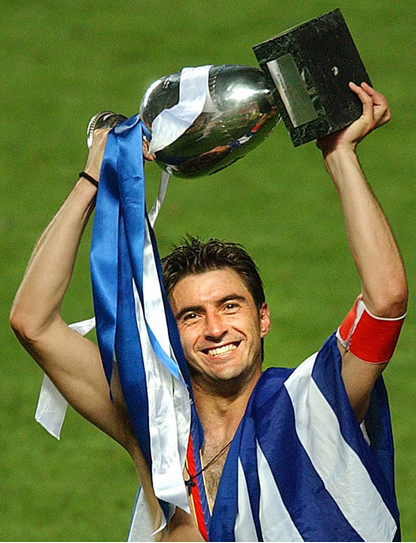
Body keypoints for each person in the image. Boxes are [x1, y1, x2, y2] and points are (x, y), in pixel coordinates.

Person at [10, 82, 407, 542]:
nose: (216, 329)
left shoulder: (314, 406)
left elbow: (385, 302)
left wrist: (339, 154)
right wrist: (94, 179)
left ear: (263, 317)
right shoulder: (156, 424)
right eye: (192, 316)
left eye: (230, 306)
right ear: (170, 334)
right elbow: (33, 322)